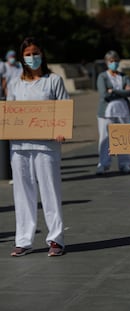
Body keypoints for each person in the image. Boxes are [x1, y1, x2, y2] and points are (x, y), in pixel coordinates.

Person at [8, 37, 69, 257]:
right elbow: (10, 115)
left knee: (50, 191)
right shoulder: (15, 83)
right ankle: (23, 240)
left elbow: (64, 109)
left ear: (42, 55)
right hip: (20, 147)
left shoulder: (53, 80)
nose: (32, 57)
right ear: (22, 57)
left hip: (46, 146)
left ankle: (56, 239)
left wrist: (62, 130)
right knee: (22, 193)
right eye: (27, 54)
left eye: (35, 53)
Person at [96, 50, 130, 175]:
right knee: (105, 138)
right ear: (107, 62)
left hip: (122, 110)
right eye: (111, 61)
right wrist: (121, 91)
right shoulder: (102, 76)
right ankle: (103, 164)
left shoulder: (124, 76)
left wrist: (114, 91)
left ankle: (125, 163)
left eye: (116, 61)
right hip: (107, 111)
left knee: (124, 137)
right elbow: (104, 94)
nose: (114, 63)